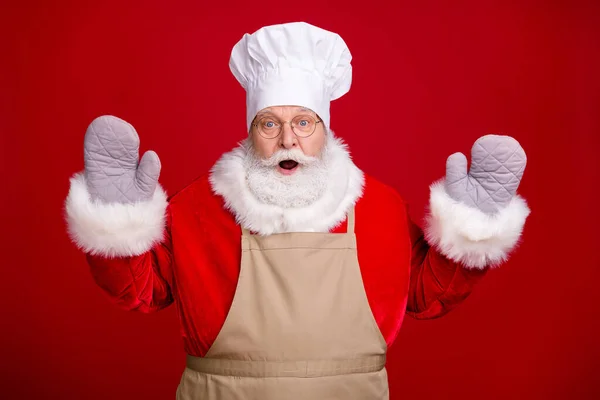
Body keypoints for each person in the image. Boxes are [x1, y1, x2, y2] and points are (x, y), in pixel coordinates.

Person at [64, 22, 530, 399]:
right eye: (270, 123)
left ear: (325, 128)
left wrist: (470, 232)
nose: (288, 140)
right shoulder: (200, 207)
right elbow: (143, 291)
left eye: (303, 122)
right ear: (250, 130)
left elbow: (425, 296)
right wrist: (114, 220)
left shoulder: (380, 207)